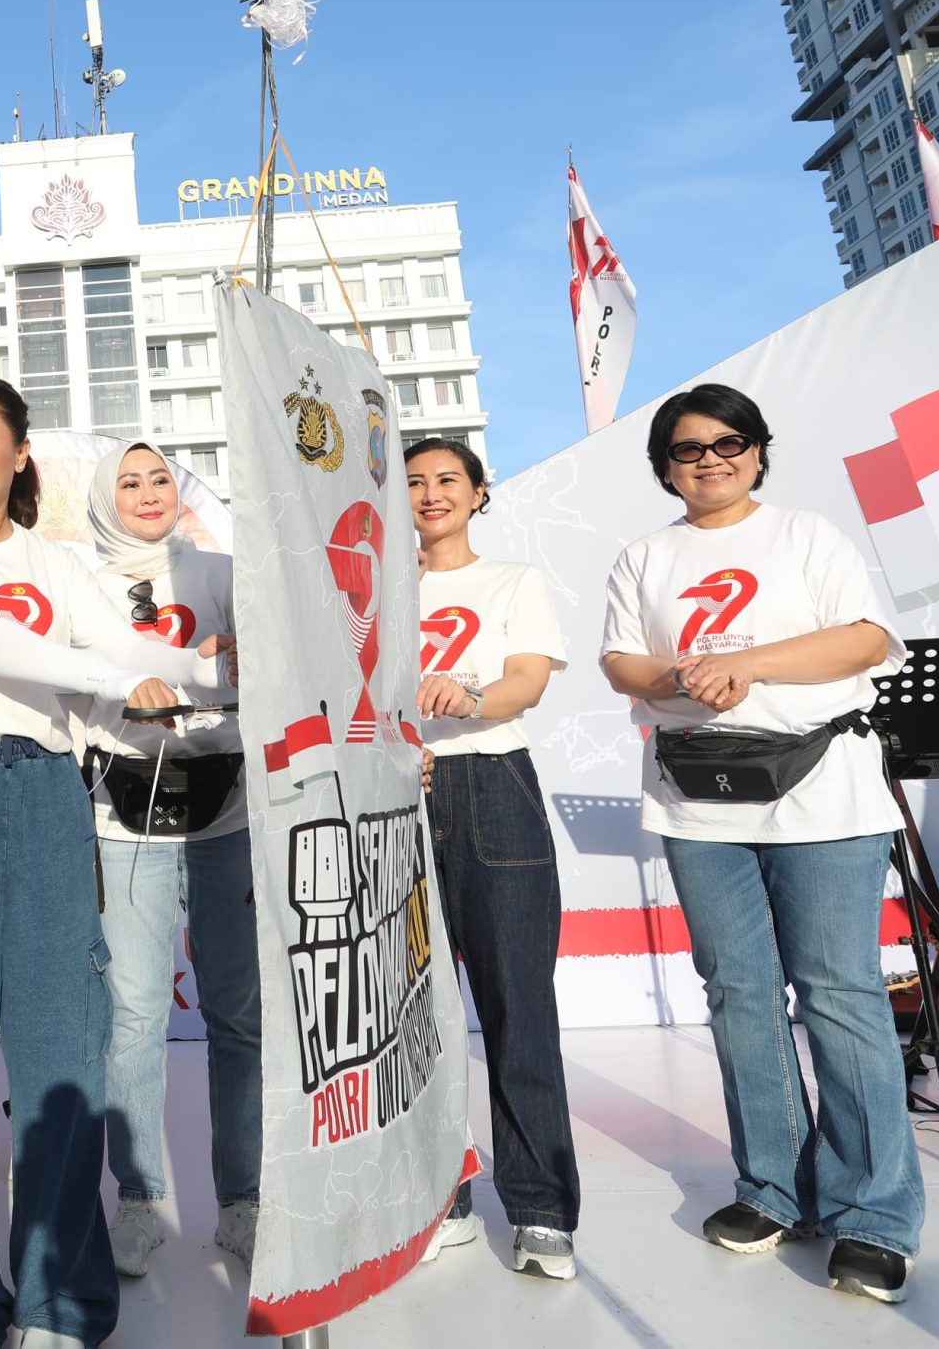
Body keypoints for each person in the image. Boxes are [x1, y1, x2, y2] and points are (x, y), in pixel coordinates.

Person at [0, 376, 224, 1349]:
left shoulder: (55, 564)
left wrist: (222, 666)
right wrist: (116, 675)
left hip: (47, 799)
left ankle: (60, 1303)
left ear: (20, 454)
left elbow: (129, 646)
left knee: (63, 1056)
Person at [599, 384, 921, 1305]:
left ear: (759, 450)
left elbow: (865, 639)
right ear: (665, 464)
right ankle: (775, 1189)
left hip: (823, 796)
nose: (711, 458)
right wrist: (685, 673)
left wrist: (745, 661)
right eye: (689, 447)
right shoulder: (645, 555)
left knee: (838, 992)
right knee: (740, 993)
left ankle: (874, 1217)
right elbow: (622, 661)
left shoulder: (808, 536)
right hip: (698, 802)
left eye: (730, 442)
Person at [74, 441, 259, 1280]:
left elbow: (271, 673)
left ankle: (244, 1201)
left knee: (238, 1013)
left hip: (229, 812)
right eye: (129, 480)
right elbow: (68, 684)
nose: (148, 494)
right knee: (136, 1014)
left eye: (160, 479)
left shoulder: (223, 570)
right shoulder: (78, 579)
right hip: (123, 816)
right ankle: (138, 1200)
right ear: (102, 496)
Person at [403, 436, 579, 1281]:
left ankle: (542, 1208)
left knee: (516, 1000)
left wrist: (466, 696)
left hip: (492, 789)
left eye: (447, 480)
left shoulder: (513, 582)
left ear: (479, 493)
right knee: (416, 1011)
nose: (431, 494)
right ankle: (445, 1195)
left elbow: (525, 681)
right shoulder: (375, 589)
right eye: (413, 483)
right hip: (398, 795)